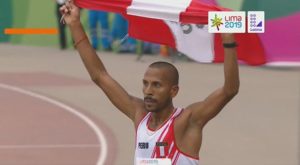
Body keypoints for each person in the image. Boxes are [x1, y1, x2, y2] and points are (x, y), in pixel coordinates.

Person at [60, 1, 239, 164]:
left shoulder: (187, 121)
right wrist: (75, 25)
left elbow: (229, 90)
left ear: (174, 90)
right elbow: (100, 76)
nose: (148, 91)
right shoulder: (139, 114)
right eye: (145, 84)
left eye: (156, 85)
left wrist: (228, 42)